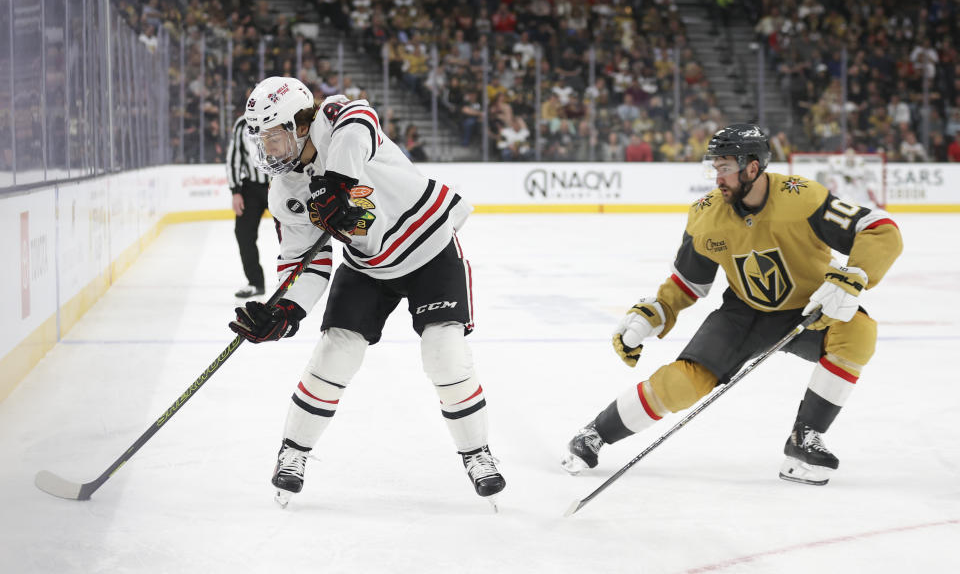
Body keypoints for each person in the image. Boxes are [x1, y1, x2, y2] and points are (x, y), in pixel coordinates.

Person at [561, 124, 903, 486]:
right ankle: (595, 433)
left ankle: (805, 437)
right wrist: (657, 311)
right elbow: (687, 281)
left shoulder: (802, 197)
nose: (717, 177)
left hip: (810, 310)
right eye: (714, 167)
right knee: (681, 385)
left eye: (724, 167)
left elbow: (879, 228)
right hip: (743, 316)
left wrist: (853, 276)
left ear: (752, 167)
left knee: (859, 332)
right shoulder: (706, 215)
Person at [228, 77, 505, 507]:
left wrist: (337, 181)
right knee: (334, 352)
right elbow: (306, 262)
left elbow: (360, 117)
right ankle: (293, 452)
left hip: (428, 247)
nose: (269, 150)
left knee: (443, 351)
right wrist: (283, 311)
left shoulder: (335, 121)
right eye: (262, 140)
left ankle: (477, 453)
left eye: (275, 137)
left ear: (301, 124)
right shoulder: (285, 191)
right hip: (369, 265)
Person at [226, 113, 271, 299]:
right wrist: (235, 191)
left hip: (280, 184)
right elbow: (234, 158)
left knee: (291, 233)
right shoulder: (242, 124)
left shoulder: (283, 117)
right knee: (243, 233)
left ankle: (297, 280)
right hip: (251, 188)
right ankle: (255, 282)